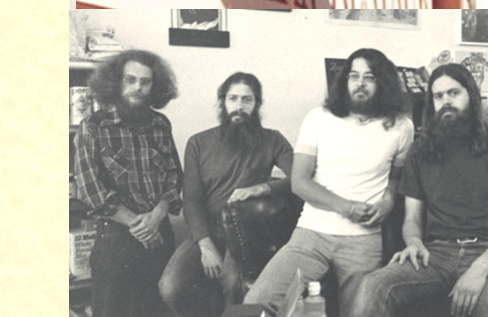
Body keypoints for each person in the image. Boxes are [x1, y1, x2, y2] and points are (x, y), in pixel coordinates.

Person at [244, 48, 414, 317]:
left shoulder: (402, 126)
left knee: (362, 313)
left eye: (369, 77)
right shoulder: (319, 118)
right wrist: (347, 207)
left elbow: (396, 177)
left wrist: (389, 199)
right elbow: (299, 181)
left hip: (364, 239)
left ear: (383, 82)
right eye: (353, 75)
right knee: (256, 302)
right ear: (344, 80)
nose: (359, 83)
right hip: (311, 233)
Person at [351, 62, 488, 317]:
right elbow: (412, 217)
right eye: (438, 96)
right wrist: (413, 242)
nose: (446, 101)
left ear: (471, 93)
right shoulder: (420, 150)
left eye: (454, 93)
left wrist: (481, 269)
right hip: (435, 254)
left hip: (485, 253)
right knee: (374, 285)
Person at [157, 72, 294, 317]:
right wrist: (205, 245)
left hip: (246, 232)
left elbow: (301, 178)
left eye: (246, 100)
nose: (239, 106)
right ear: (223, 102)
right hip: (206, 230)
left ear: (257, 104)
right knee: (170, 287)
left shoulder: (273, 140)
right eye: (233, 98)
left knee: (231, 286)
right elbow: (192, 199)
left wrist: (264, 187)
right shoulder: (198, 142)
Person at [74, 49, 183, 317]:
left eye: (145, 82)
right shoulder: (93, 126)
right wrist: (139, 225)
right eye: (130, 80)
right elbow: (90, 188)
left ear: (154, 86)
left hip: (159, 235)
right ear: (115, 82)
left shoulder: (161, 124)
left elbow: (173, 176)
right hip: (115, 240)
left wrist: (156, 217)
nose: (138, 87)